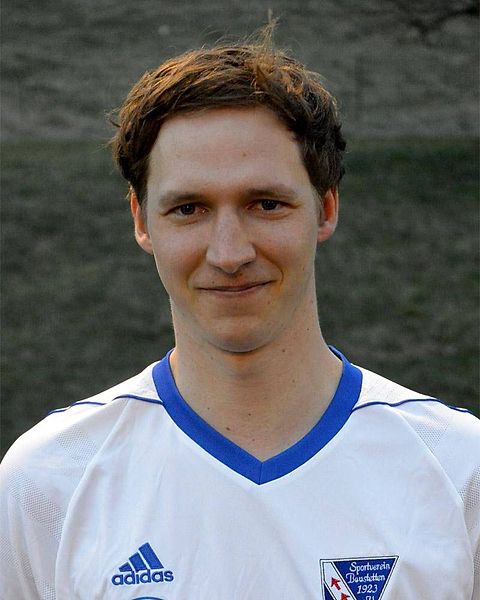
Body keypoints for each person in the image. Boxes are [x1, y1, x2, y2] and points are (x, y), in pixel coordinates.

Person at [0, 28, 478, 600]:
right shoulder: (48, 481)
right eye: (189, 209)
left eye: (266, 204)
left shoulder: (460, 470)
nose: (229, 254)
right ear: (142, 221)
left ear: (325, 208)